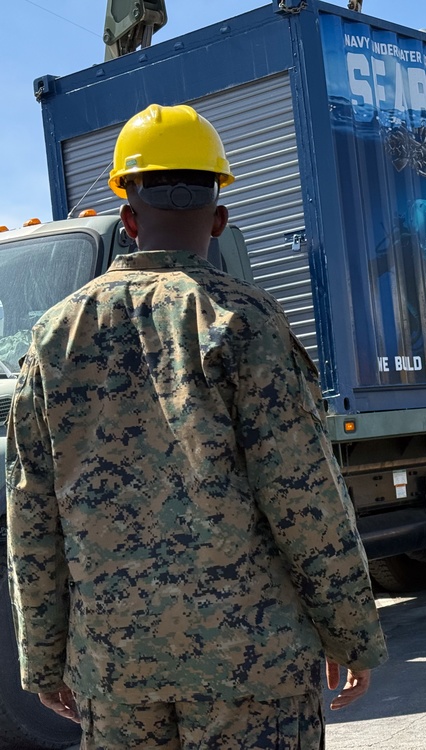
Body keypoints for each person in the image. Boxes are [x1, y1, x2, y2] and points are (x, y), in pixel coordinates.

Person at [6, 103, 387, 748]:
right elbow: (305, 498)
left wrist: (42, 661)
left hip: (117, 670)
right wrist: (351, 634)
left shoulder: (54, 338)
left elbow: (31, 514)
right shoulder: (244, 322)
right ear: (219, 218)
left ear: (128, 218)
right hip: (252, 664)